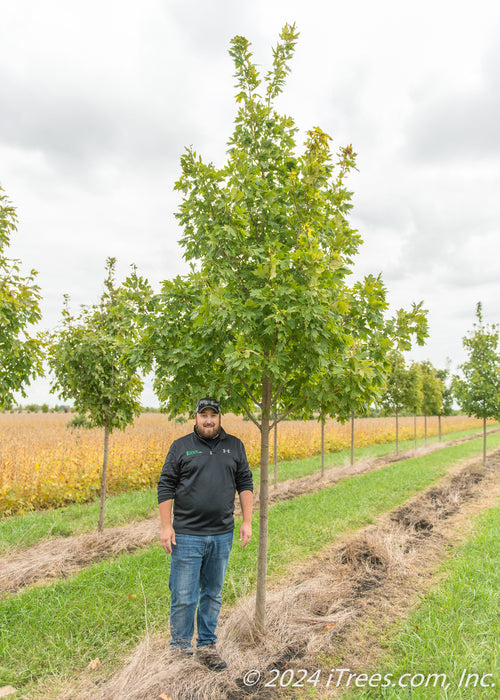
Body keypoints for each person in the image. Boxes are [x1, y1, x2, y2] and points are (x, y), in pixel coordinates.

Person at [158, 397, 253, 671]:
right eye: (203, 415)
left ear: (220, 417)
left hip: (222, 533)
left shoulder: (235, 446)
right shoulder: (181, 447)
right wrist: (166, 527)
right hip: (187, 535)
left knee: (212, 594)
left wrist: (247, 521)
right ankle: (180, 651)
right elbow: (166, 485)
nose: (208, 420)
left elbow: (244, 482)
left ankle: (208, 647)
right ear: (195, 417)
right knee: (184, 594)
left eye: (213, 415)